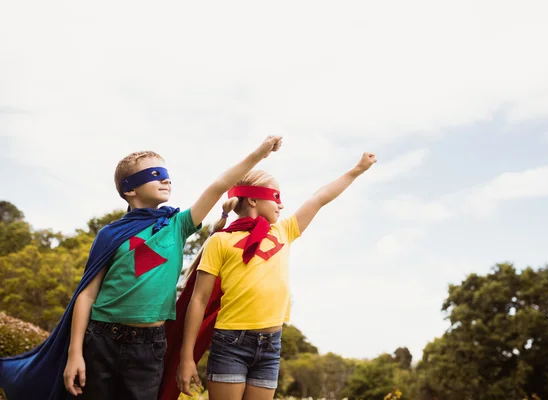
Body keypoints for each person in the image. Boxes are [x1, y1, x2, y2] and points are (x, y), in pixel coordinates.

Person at [0, 136, 282, 400]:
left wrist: (259, 154)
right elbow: (86, 295)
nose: (166, 179)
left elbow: (219, 185)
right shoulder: (110, 235)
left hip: (150, 346)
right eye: (155, 175)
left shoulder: (178, 225)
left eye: (167, 174)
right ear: (130, 189)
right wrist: (75, 354)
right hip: (101, 340)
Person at [175, 152, 377, 400]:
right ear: (252, 200)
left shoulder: (284, 231)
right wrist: (186, 358)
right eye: (276, 197)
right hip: (230, 344)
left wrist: (356, 170)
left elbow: (319, 198)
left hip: (270, 345)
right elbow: (199, 299)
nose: (281, 205)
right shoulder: (221, 240)